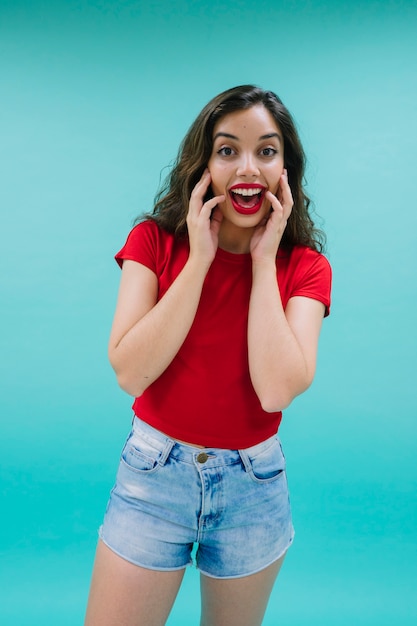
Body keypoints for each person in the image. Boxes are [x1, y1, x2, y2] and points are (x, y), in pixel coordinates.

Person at [84, 85, 332, 626]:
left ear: (287, 170)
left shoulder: (306, 269)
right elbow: (130, 371)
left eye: (266, 151)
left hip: (254, 487)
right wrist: (200, 260)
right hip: (154, 477)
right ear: (204, 166)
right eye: (228, 150)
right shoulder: (151, 242)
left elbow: (276, 389)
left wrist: (264, 263)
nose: (248, 167)